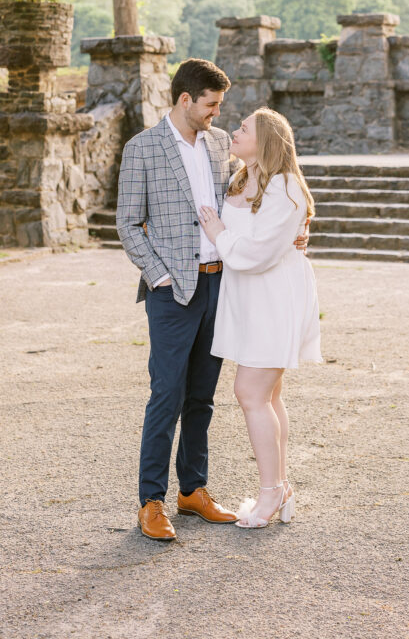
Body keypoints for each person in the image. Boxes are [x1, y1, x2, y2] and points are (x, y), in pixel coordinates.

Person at [116, 60, 309, 542]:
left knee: (202, 396)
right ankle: (152, 501)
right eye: (211, 105)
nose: (217, 113)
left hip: (222, 287)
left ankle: (193, 490)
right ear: (186, 100)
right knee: (166, 394)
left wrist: (296, 232)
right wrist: (159, 276)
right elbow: (127, 223)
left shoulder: (222, 143)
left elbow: (259, 196)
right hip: (173, 291)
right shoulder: (141, 149)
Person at [199, 107, 322, 529]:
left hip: (273, 297)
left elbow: (256, 252)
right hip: (250, 298)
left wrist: (218, 234)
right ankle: (280, 487)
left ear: (265, 140)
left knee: (250, 392)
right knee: (269, 397)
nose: (234, 130)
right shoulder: (241, 178)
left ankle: (271, 490)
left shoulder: (285, 187)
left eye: (244, 127)